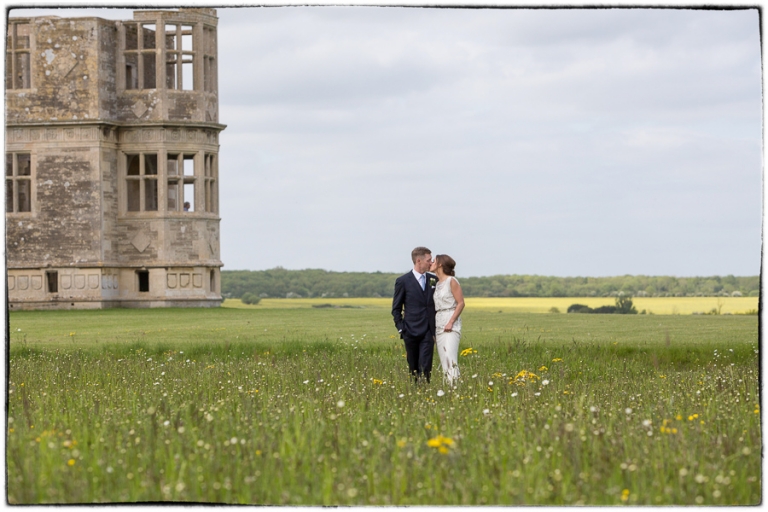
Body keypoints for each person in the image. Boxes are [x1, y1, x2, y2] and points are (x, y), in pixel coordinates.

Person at [392, 247, 437, 384]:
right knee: (413, 367)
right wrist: (401, 328)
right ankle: (416, 391)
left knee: (426, 365)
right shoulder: (403, 281)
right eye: (429, 260)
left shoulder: (433, 279)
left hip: (428, 331)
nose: (431, 262)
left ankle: (425, 390)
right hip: (410, 330)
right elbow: (396, 309)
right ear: (419, 260)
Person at [430, 254, 465, 386]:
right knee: (444, 360)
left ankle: (454, 387)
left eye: (434, 261)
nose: (431, 263)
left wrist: (451, 321)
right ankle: (449, 386)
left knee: (450, 358)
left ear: (440, 264)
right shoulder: (434, 282)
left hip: (450, 323)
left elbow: (461, 303)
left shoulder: (452, 281)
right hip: (439, 324)